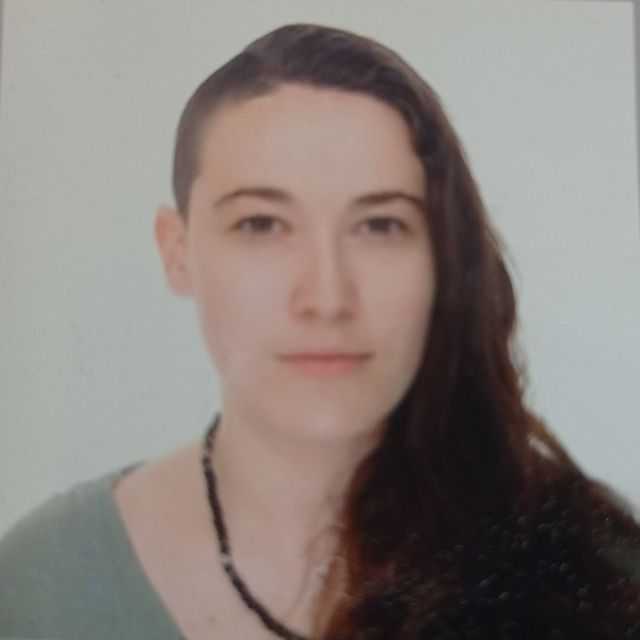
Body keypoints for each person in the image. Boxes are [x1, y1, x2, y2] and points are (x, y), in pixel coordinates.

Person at [1, 22, 639, 640]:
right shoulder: (41, 582)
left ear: (442, 256)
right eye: (261, 225)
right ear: (178, 251)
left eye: (380, 226)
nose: (327, 299)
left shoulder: (598, 564)